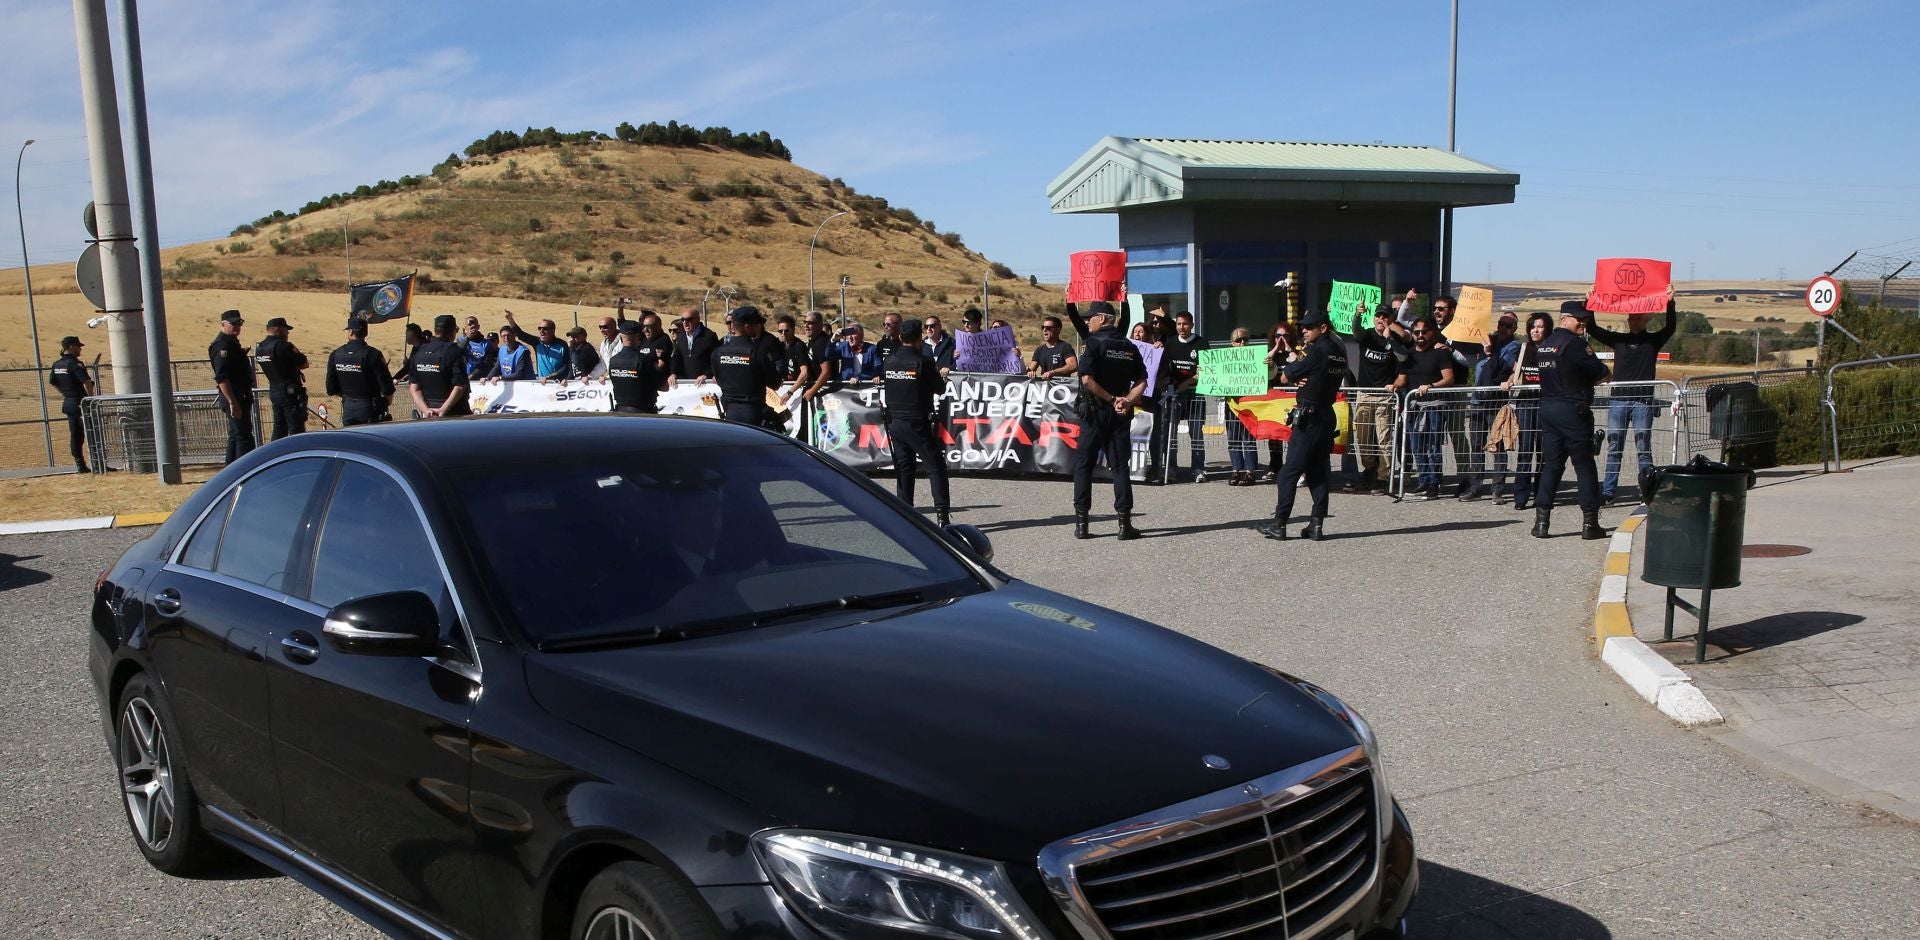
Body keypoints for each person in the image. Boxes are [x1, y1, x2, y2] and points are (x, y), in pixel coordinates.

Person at [1257, 311, 1348, 541]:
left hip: (1309, 416)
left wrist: (1298, 372)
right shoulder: (1340, 351)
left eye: (1309, 327)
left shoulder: (1315, 350)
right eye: (1303, 327)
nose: (1304, 331)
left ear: (1324, 327)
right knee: (1318, 473)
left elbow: (1286, 376)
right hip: (1327, 414)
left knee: (1288, 473)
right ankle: (1316, 525)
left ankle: (1279, 524)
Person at [1532, 301, 1612, 539]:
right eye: (1580, 319)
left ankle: (1541, 524)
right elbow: (1601, 373)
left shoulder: (1545, 346)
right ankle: (1590, 524)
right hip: (1572, 411)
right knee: (1584, 465)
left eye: (1585, 319)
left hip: (1548, 409)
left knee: (1552, 466)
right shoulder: (1576, 344)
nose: (1583, 323)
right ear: (1565, 318)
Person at [1070, 301, 1147, 540]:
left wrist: (1113, 399)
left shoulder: (1093, 343)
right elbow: (1143, 380)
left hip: (1094, 414)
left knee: (1084, 465)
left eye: (1090, 317)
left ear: (1102, 319)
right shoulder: (1128, 346)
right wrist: (1126, 401)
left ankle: (1082, 525)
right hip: (1119, 415)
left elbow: (1086, 380)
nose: (1087, 321)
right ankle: (1124, 525)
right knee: (1120, 467)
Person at [1592, 296, 1678, 504]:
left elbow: (1671, 327)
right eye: (1632, 318)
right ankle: (1609, 491)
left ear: (1646, 319)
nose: (1634, 321)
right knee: (1614, 447)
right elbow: (1594, 329)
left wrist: (1670, 302)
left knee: (1643, 448)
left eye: (1638, 318)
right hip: (1619, 400)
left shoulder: (1652, 341)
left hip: (1643, 402)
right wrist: (1592, 302)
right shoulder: (1618, 340)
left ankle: (1646, 489)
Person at [881, 318, 951, 525]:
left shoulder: (890, 360)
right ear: (919, 337)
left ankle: (904, 514)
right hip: (917, 422)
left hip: (895, 422)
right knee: (935, 467)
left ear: (901, 337)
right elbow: (940, 388)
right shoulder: (924, 362)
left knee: (904, 469)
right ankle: (942, 515)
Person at [1351, 305, 1408, 494]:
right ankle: (1369, 469)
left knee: (1384, 438)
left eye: (1384, 316)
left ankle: (1384, 477)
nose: (1381, 319)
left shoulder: (1394, 339)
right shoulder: (1366, 336)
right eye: (1378, 316)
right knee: (1363, 436)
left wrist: (1390, 338)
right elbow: (1356, 331)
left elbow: (1403, 357)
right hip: (1365, 393)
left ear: (1390, 319)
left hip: (1385, 396)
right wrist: (1357, 315)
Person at [1461, 313, 1519, 501]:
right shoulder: (1487, 339)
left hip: (1495, 402)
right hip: (1478, 400)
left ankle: (1498, 489)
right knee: (1476, 445)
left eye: (1508, 326)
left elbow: (1500, 368)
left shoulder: (1513, 347)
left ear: (1514, 329)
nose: (1503, 328)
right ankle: (1475, 486)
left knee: (1498, 446)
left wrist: (1488, 352)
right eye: (1501, 324)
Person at [1401, 319, 1457, 500]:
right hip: (1414, 406)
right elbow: (1401, 379)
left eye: (1424, 332)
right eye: (1416, 332)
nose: (1420, 336)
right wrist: (1392, 386)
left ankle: (1434, 482)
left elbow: (1449, 378)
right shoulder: (1409, 355)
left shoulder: (1439, 353)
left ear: (1431, 333)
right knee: (1417, 446)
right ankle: (1423, 480)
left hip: (1435, 406)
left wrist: (1431, 386)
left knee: (1433, 445)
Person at [1502, 312, 1553, 512]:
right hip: (1525, 404)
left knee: (1543, 453)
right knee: (1525, 452)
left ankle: (1541, 494)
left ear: (1547, 329)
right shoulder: (1524, 349)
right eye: (1532, 327)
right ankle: (1520, 497)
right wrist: (1508, 381)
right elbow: (1516, 372)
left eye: (1539, 327)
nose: (1535, 330)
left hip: (1546, 404)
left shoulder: (1552, 350)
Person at [1154, 311, 1209, 483]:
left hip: (1195, 393)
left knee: (1196, 432)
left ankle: (1198, 469)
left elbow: (1206, 369)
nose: (1181, 327)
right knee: (1170, 432)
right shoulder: (1169, 343)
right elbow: (1163, 367)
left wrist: (1189, 381)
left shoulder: (1202, 343)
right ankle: (1171, 468)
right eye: (1178, 324)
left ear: (1192, 325)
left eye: (1185, 324)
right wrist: (1156, 347)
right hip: (1174, 394)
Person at [711, 306, 782, 426]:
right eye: (757, 324)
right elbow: (775, 382)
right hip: (753, 413)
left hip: (730, 413)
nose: (759, 326)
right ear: (747, 327)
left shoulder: (717, 353)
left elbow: (718, 379)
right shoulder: (757, 352)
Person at [325, 317, 394, 426]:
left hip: (348, 409)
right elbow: (387, 387)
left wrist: (348, 397)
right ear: (366, 333)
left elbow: (330, 389)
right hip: (370, 409)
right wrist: (384, 402)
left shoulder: (336, 354)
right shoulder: (373, 354)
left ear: (351, 332)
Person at [209, 309, 256, 464]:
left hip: (239, 394)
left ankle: (231, 469)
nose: (237, 327)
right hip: (234, 395)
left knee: (236, 435)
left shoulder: (232, 343)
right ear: (223, 324)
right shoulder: (222, 345)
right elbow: (222, 377)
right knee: (243, 436)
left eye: (239, 323)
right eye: (233, 323)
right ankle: (244, 469)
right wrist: (232, 402)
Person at [254, 316, 309, 440]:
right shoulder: (283, 346)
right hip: (290, 392)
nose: (288, 332)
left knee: (279, 429)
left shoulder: (260, 348)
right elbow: (304, 363)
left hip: (274, 390)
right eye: (286, 329)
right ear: (278, 329)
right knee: (296, 429)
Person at [409, 314, 472, 418]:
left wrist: (426, 410)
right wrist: (443, 410)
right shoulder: (454, 351)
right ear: (452, 330)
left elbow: (414, 387)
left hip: (430, 412)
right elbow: (460, 386)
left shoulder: (419, 352)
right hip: (456, 412)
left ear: (435, 330)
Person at [47, 335, 95, 473]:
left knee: (76, 435)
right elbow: (85, 381)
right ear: (71, 347)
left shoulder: (57, 365)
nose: (80, 349)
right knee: (92, 432)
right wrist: (90, 399)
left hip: (69, 402)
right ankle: (98, 462)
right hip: (81, 403)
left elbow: (53, 383)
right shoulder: (75, 364)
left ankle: (80, 464)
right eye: (78, 346)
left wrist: (66, 394)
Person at [1223, 329, 1260, 485]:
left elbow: (1270, 374)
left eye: (1245, 339)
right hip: (1231, 404)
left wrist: (1270, 365)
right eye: (1238, 340)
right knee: (1233, 439)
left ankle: (1250, 472)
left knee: (1248, 439)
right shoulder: (1224, 360)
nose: (1242, 343)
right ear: (1232, 343)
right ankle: (1236, 470)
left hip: (1248, 404)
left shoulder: (1256, 359)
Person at [607, 320, 667, 413]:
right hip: (644, 413)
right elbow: (664, 387)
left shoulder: (613, 361)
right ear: (639, 338)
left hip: (621, 412)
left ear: (621, 338)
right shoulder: (645, 360)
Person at [503, 311, 567, 378]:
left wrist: (549, 377)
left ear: (553, 330)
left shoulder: (562, 345)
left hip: (559, 385)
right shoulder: (537, 342)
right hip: (542, 385)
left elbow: (566, 366)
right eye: (539, 328)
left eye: (545, 329)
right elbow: (521, 335)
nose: (541, 331)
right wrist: (510, 320)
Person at [668, 311, 720, 387]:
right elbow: (676, 358)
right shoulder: (681, 336)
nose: (685, 322)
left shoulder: (709, 336)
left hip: (705, 383)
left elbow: (717, 359)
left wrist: (706, 375)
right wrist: (673, 373)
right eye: (683, 320)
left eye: (688, 319)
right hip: (685, 384)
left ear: (698, 319)